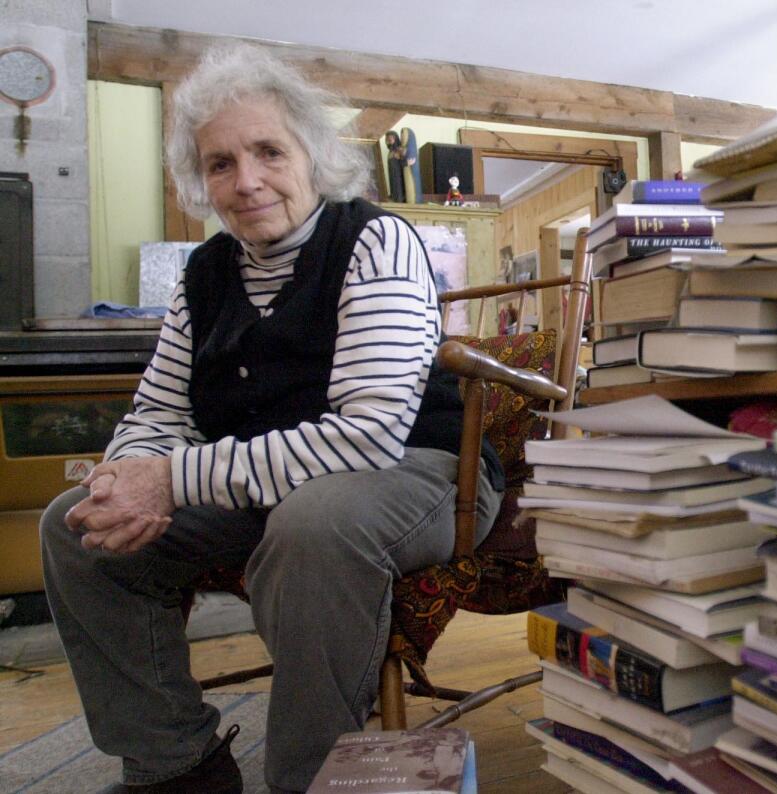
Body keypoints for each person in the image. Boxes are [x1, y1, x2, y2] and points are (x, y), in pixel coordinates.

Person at [39, 42, 503, 794]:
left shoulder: (375, 241)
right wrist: (125, 475)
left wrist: (171, 479)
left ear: (312, 157)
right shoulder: (205, 272)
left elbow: (370, 433)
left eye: (267, 151)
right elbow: (159, 406)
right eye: (220, 163)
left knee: (314, 524)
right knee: (76, 527)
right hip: (269, 493)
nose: (246, 180)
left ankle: (311, 778)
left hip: (420, 475)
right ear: (201, 181)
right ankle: (176, 765)